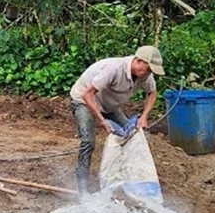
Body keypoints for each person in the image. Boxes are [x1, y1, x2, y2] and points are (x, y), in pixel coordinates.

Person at [70, 45, 163, 196]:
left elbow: (152, 93)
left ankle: (125, 179)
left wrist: (144, 116)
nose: (149, 74)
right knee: (88, 141)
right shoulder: (113, 69)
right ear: (138, 61)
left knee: (130, 134)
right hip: (83, 100)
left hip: (109, 106)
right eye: (148, 69)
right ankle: (82, 188)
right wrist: (102, 121)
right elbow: (88, 94)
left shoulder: (145, 75)